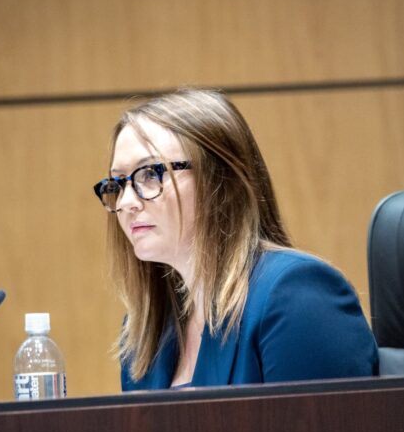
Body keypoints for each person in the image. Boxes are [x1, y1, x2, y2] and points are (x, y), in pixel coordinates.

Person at [93, 89, 378, 390]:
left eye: (150, 174)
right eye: (118, 183)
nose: (125, 202)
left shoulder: (296, 298)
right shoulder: (145, 333)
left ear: (220, 180)